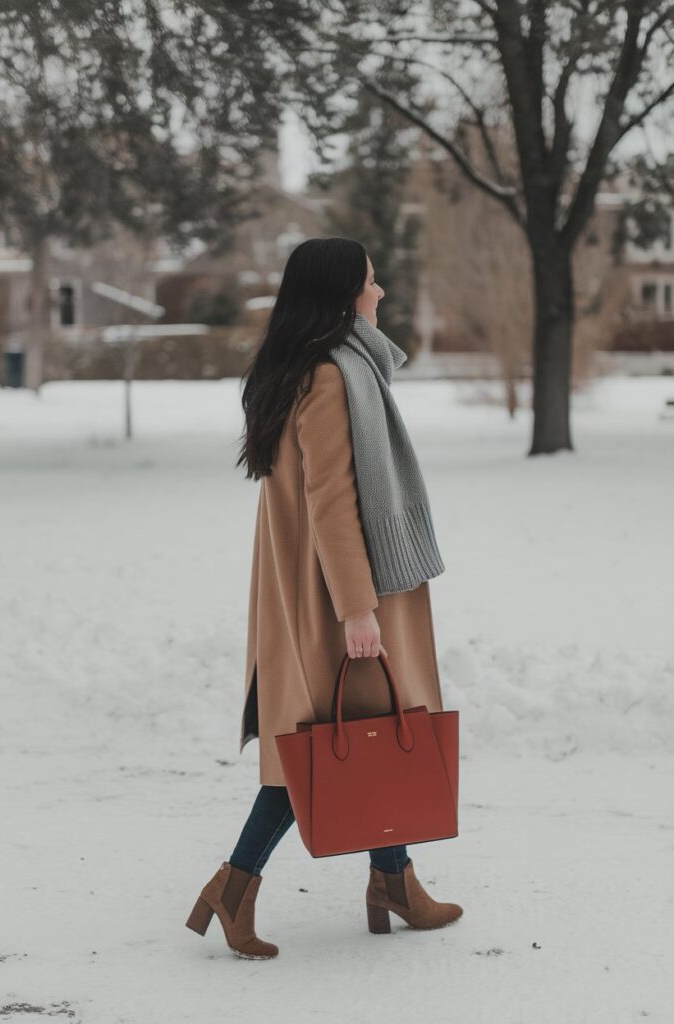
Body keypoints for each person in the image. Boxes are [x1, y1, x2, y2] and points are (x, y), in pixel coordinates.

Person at [185, 237, 463, 960]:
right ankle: (237, 882)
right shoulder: (334, 376)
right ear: (345, 294)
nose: (381, 293)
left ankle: (391, 881)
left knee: (371, 729)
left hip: (315, 583)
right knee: (323, 746)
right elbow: (333, 500)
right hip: (340, 588)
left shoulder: (297, 367)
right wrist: (356, 609)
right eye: (372, 282)